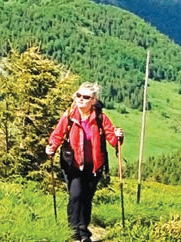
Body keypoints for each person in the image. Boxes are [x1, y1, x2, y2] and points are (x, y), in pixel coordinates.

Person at [46, 82, 124, 242]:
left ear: (93, 100)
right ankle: (75, 232)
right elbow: (57, 134)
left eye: (86, 97)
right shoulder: (69, 115)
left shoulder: (101, 117)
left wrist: (118, 137)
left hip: (94, 165)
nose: (81, 99)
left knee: (86, 198)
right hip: (72, 164)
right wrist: (51, 147)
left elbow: (112, 140)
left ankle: (83, 230)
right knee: (75, 195)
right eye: (78, 95)